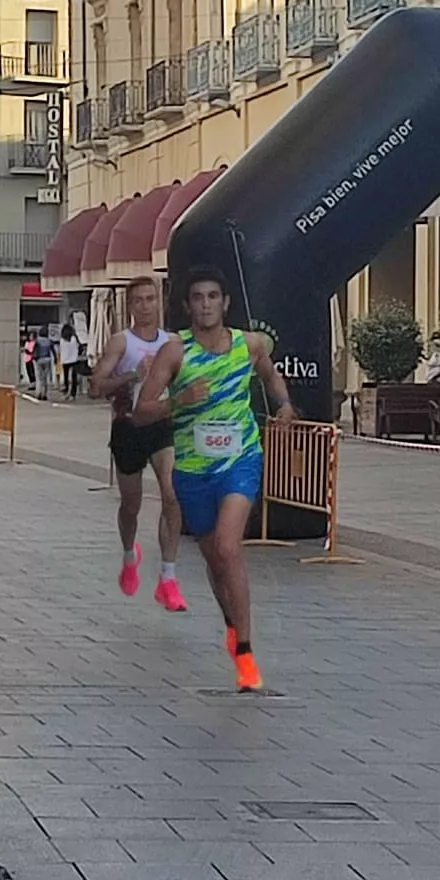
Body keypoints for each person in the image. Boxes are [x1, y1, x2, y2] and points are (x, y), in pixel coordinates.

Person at [135, 266, 296, 692]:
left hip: (239, 461)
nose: (206, 305)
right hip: (191, 470)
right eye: (198, 298)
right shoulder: (175, 352)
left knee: (229, 547)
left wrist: (283, 405)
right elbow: (143, 410)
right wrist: (179, 400)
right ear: (187, 306)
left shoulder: (248, 344)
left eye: (213, 297)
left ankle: (244, 653)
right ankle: (231, 624)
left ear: (225, 303)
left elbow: (270, 374)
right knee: (214, 558)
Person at [89, 275, 186, 613]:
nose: (145, 307)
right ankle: (130, 555)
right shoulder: (122, 343)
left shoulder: (172, 343)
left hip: (161, 426)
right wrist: (133, 375)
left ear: (159, 302)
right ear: (130, 306)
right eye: (138, 301)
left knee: (172, 495)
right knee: (131, 505)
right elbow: (95, 386)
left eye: (150, 299)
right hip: (128, 429)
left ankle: (168, 578)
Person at [59, 324, 84, 400]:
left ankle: (65, 392)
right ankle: (73, 394)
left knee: (66, 377)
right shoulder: (74, 338)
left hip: (64, 360)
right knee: (74, 377)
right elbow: (80, 347)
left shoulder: (62, 339)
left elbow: (60, 349)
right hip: (74, 359)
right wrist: (77, 353)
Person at [32, 326, 56, 401]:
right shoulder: (49, 340)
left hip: (39, 359)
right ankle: (44, 394)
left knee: (39, 377)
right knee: (45, 378)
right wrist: (55, 359)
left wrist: (34, 357)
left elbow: (34, 350)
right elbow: (53, 351)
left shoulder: (37, 340)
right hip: (47, 359)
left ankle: (39, 393)